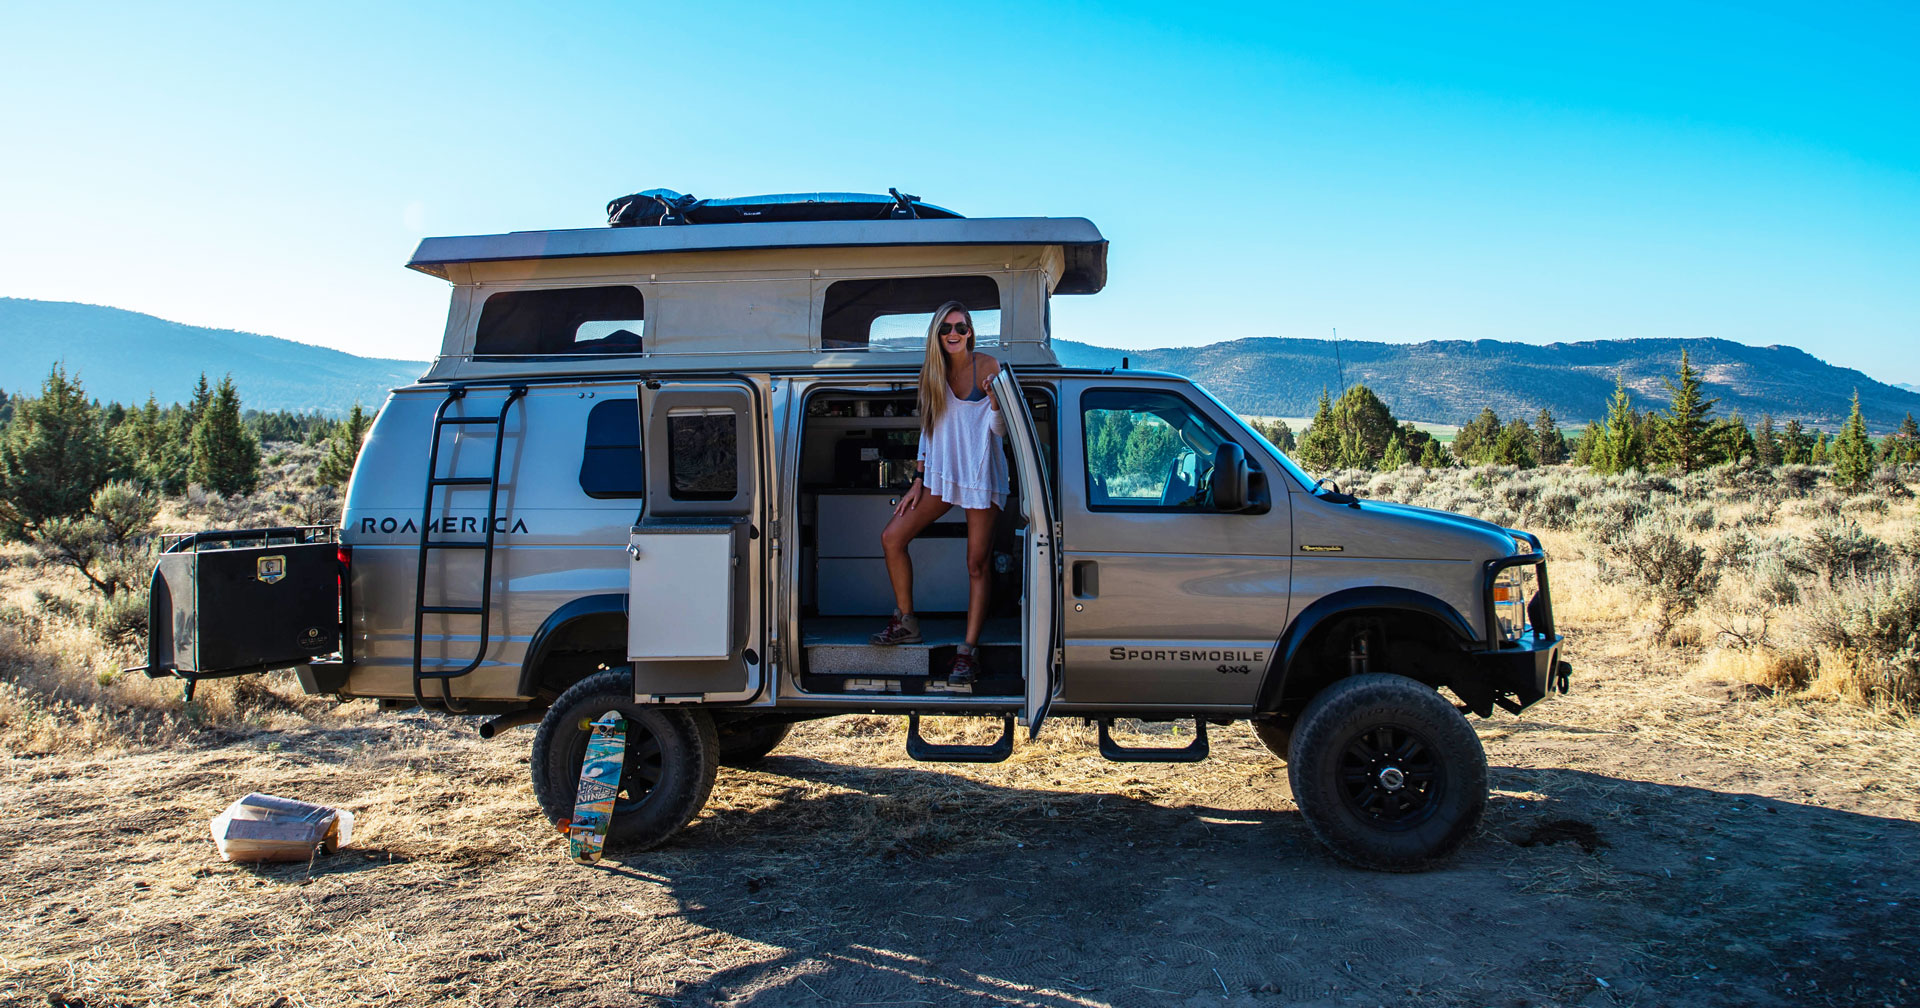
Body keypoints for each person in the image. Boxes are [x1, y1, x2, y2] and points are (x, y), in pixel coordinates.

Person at [868, 301, 1008, 686]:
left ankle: (967, 652)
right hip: (943, 475)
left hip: (980, 473)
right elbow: (928, 430)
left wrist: (996, 403)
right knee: (892, 537)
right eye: (947, 327)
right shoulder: (931, 373)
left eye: (961, 328)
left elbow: (1000, 432)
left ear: (970, 333)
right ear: (937, 332)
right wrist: (918, 478)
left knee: (976, 566)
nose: (954, 334)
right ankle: (906, 621)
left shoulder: (989, 367)